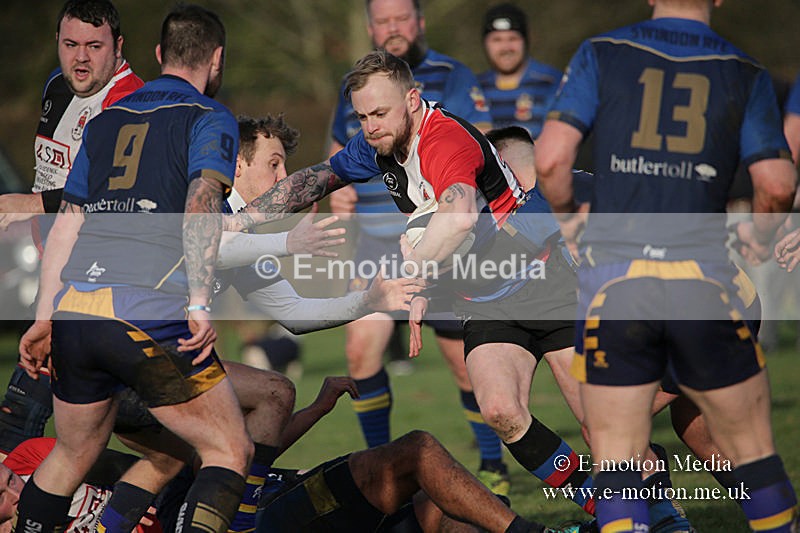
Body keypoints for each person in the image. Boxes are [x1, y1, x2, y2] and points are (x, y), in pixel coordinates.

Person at [535, 0, 798, 530]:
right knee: (748, 452)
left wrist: (568, 220)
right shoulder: (742, 70)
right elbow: (776, 183)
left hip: (619, 289)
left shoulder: (602, 52)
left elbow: (550, 159)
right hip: (707, 288)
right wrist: (762, 234)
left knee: (616, 458)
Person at [15, 5, 253, 533]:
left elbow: (67, 225)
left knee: (71, 456)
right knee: (229, 449)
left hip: (76, 311)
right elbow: (201, 204)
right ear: (216, 59)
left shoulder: (104, 122)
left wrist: (44, 316)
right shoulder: (209, 116)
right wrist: (198, 302)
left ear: (159, 54)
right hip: (146, 309)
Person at [327, 0, 508, 494]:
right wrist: (336, 194)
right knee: (360, 350)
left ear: (420, 22)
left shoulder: (452, 77)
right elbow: (337, 153)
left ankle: (493, 467)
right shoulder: (357, 86)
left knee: (463, 362)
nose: (393, 27)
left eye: (401, 17)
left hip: (447, 239)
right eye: (382, 20)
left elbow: (477, 147)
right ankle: (382, 470)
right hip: (376, 241)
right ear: (370, 27)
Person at [0, 0, 144, 457]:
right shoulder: (56, 88)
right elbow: (53, 177)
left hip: (94, 284)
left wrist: (30, 204)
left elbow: (111, 193)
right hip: (55, 276)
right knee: (127, 431)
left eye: (94, 46)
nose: (80, 58)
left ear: (118, 46)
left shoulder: (131, 103)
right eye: (70, 44)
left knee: (20, 421)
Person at [477, 3, 561, 139]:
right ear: (485, 44)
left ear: (526, 41)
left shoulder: (552, 83)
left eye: (513, 39)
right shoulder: (473, 89)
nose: (506, 48)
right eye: (497, 40)